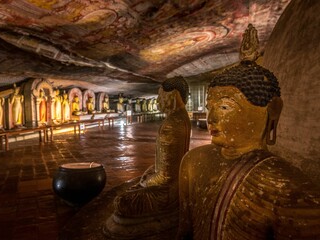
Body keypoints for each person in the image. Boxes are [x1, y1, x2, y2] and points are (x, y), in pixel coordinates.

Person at [177, 25, 320, 240]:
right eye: (210, 107)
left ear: (272, 110)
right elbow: (184, 230)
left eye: (225, 107)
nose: (211, 118)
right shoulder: (193, 162)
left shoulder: (294, 191)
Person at [104, 77, 191, 238]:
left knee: (122, 202)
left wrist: (145, 182)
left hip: (166, 193)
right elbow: (165, 166)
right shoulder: (182, 117)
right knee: (142, 180)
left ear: (173, 95)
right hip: (176, 185)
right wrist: (149, 175)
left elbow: (165, 176)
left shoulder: (171, 125)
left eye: (160, 96)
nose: (158, 100)